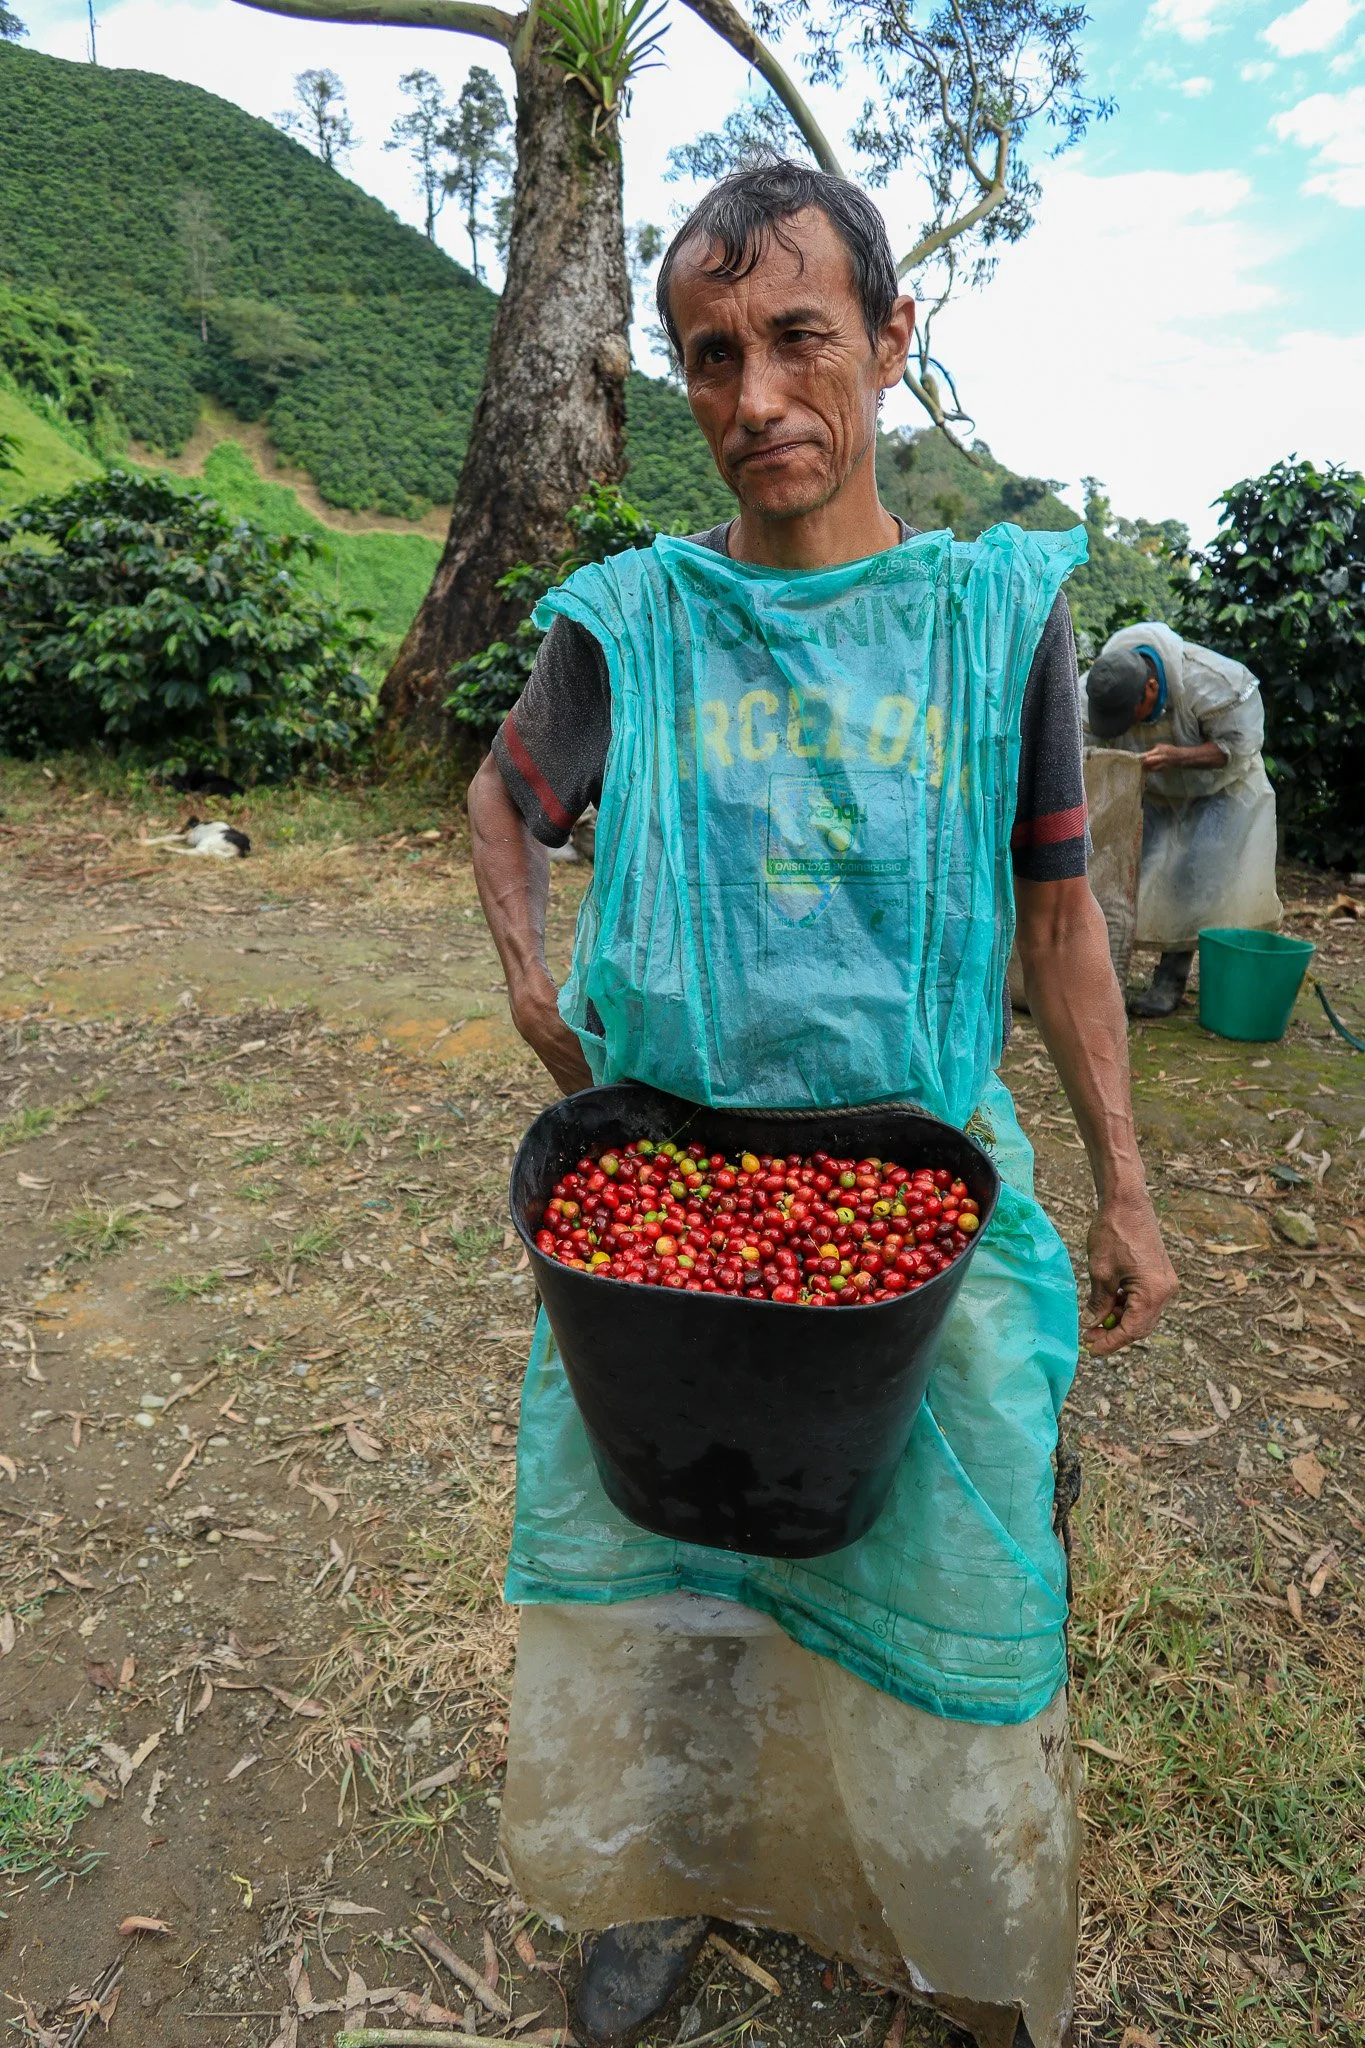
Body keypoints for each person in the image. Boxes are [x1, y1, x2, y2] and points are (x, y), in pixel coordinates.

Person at [468, 161, 1177, 2048]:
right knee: (665, 1552)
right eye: (712, 354)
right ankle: (670, 1871)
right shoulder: (635, 622)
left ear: (890, 337)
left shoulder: (985, 615)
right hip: (669, 1190)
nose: (758, 395)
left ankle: (951, 1899)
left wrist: (1124, 1185)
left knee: (956, 1562)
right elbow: (504, 796)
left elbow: (1058, 909)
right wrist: (539, 988)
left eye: (800, 338)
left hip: (916, 1187)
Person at [1084, 623, 1281, 1018]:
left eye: (1126, 716)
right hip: (1153, 794)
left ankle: (1169, 980)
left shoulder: (1209, 681)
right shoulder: (1096, 686)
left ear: (1151, 690)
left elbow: (1239, 747)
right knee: (1129, 874)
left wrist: (1179, 756)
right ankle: (1100, 971)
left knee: (1193, 879)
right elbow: (1082, 741)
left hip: (1220, 793)